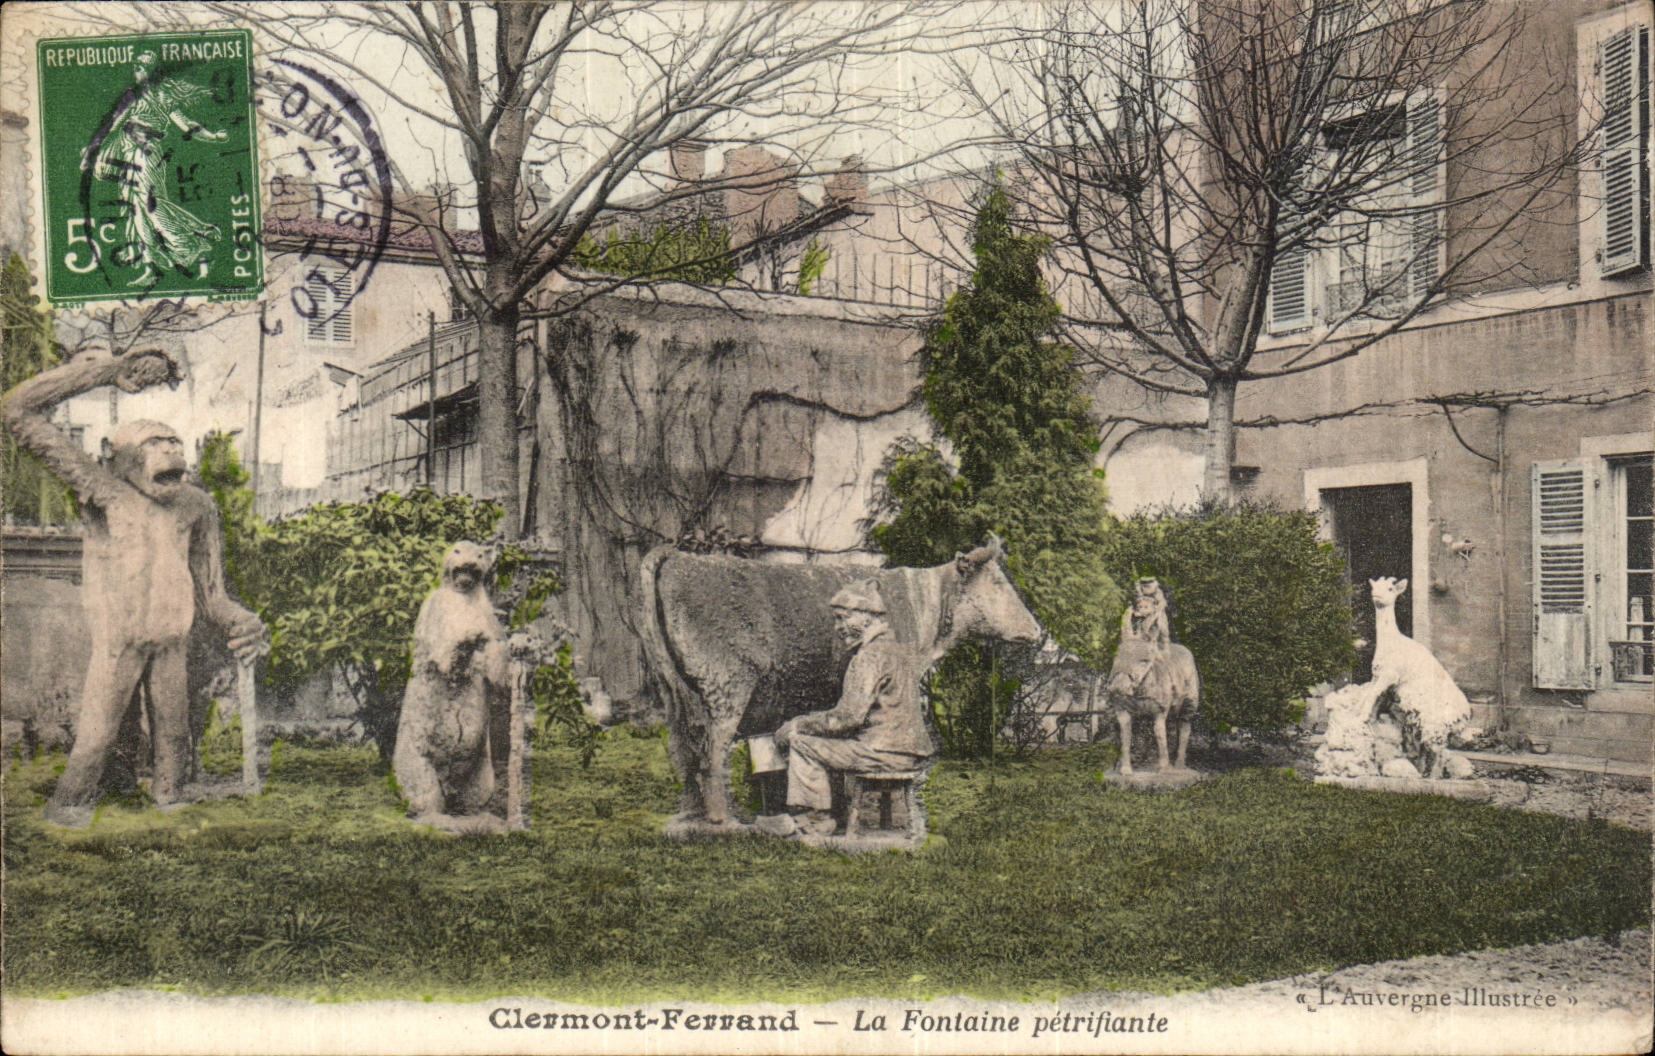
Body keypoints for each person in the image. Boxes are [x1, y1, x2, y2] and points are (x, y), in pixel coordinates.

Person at [771, 580, 936, 837]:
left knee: (801, 742)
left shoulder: (869, 657)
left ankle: (815, 821)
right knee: (828, 744)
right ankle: (830, 812)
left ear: (865, 617)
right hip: (906, 751)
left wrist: (798, 724)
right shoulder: (900, 651)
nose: (838, 628)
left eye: (841, 619)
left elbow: (848, 717)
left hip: (880, 752)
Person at [81, 51, 226, 286]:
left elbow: (187, 125)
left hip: (149, 152)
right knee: (136, 212)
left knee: (151, 205)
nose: (138, 72)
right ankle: (152, 267)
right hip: (129, 153)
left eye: (142, 68)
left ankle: (195, 238)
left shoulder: (163, 96)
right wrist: (92, 150)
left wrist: (215, 138)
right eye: (137, 67)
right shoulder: (133, 95)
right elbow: (113, 122)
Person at [1121, 576, 1171, 652]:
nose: (1145, 588)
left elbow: (1161, 604)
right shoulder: (1138, 591)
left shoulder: (1158, 594)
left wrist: (1155, 611)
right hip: (1140, 611)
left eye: (1148, 585)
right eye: (1144, 585)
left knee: (1161, 624)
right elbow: (1135, 601)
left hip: (1153, 611)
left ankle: (1164, 646)